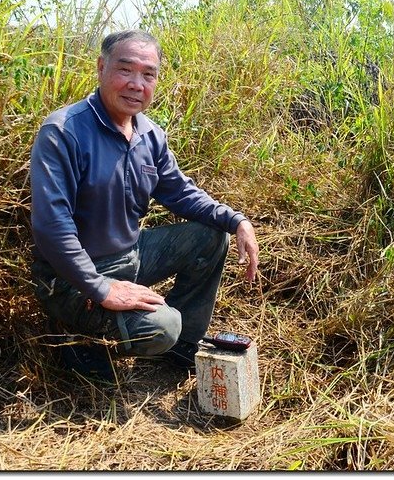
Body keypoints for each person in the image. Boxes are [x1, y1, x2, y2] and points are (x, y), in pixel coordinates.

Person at [29, 29, 259, 381]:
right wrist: (101, 288)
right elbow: (51, 226)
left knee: (211, 237)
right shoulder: (64, 131)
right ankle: (80, 340)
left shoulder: (150, 134)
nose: (136, 83)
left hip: (130, 256)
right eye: (125, 70)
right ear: (101, 67)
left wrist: (237, 221)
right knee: (164, 325)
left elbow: (181, 193)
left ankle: (179, 353)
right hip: (70, 278)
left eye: (148, 74)